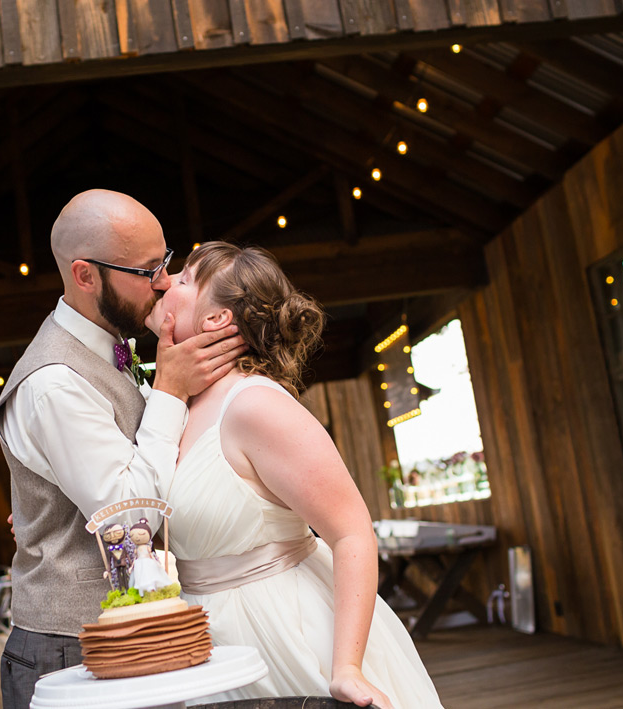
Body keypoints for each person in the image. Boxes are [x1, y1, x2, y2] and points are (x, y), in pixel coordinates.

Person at [144, 242, 443, 709]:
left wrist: (346, 668)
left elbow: (352, 531)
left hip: (283, 632)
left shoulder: (253, 404)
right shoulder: (174, 407)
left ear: (216, 320)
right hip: (207, 641)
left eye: (182, 279)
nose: (163, 282)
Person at [0, 190, 246, 709]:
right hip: (74, 650)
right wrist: (171, 390)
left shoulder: (114, 345)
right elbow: (132, 520)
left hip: (126, 636)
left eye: (166, 262)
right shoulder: (54, 382)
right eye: (148, 270)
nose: (166, 282)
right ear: (85, 276)